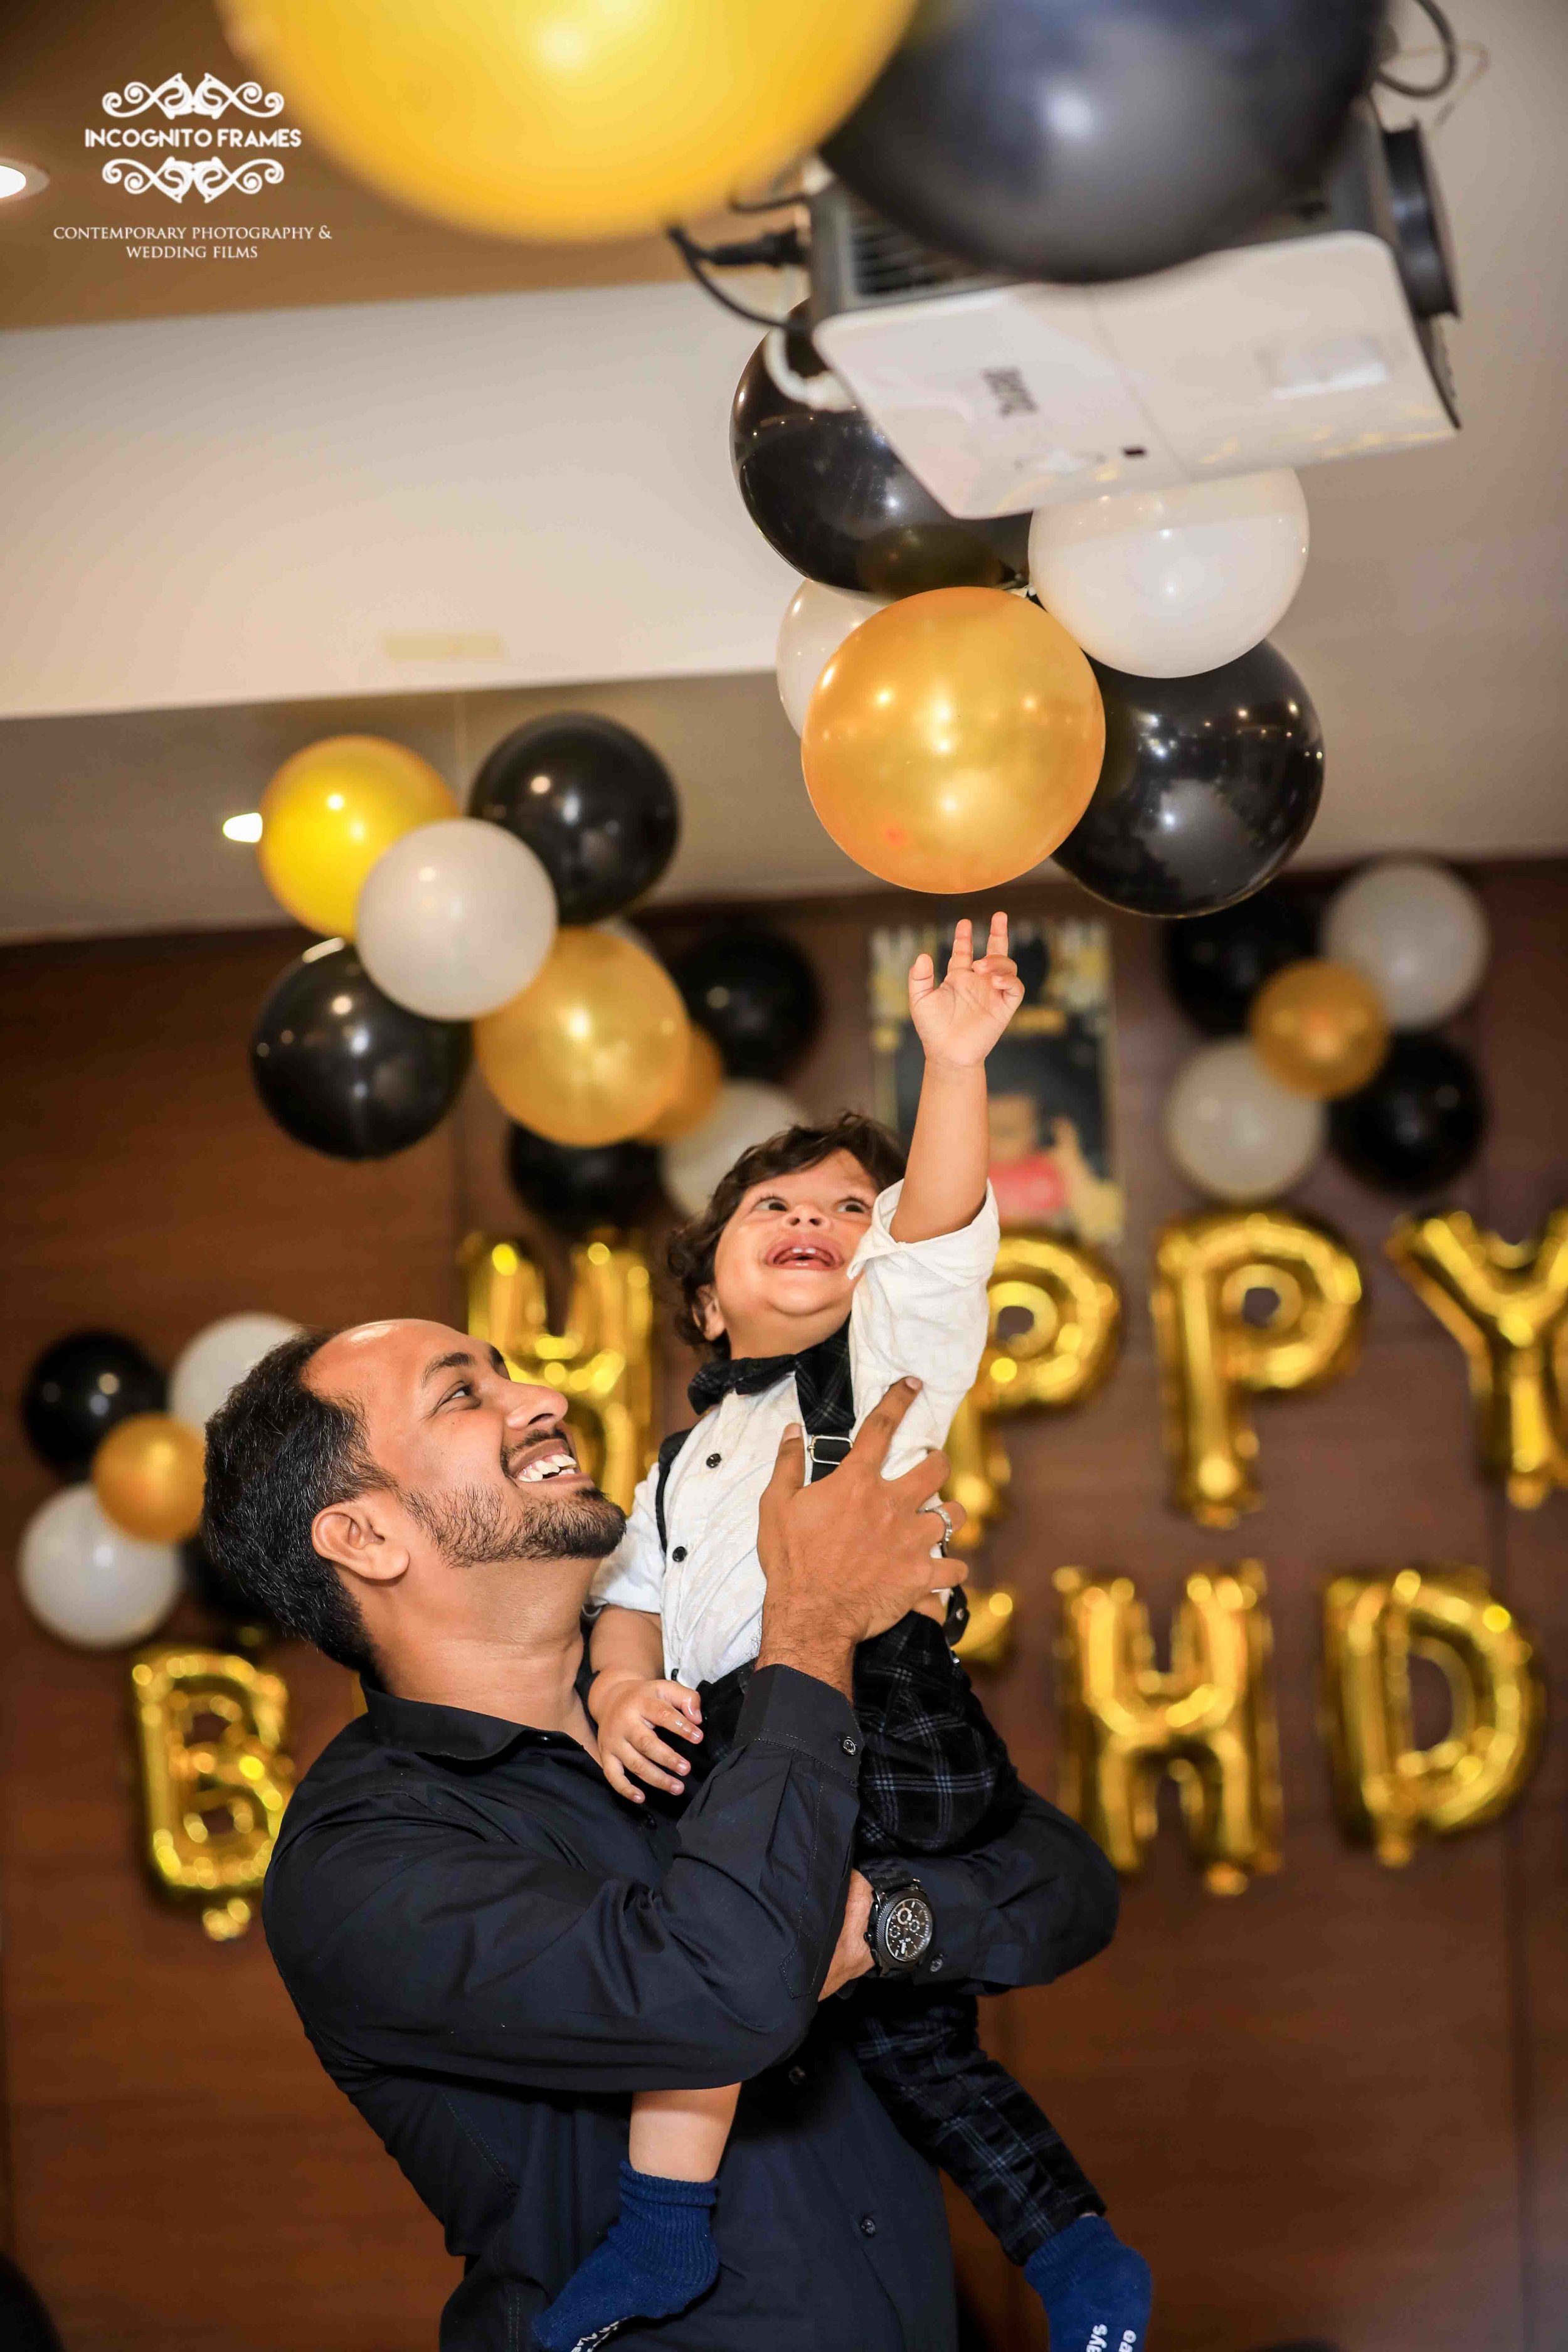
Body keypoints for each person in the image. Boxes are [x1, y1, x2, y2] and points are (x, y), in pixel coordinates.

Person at [201, 1316, 1120, 2352]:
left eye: (508, 1372)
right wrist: (810, 1625)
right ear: (364, 1538)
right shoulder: (360, 1860)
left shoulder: (708, 1679)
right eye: (463, 1393)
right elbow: (722, 1990)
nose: (540, 1397)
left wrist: (884, 1921)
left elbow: (1063, 1880)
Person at [563, 918, 1150, 2352]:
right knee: (874, 2037)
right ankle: (1070, 2257)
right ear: (705, 1295)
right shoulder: (666, 1464)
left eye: (847, 1210)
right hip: (744, 1753)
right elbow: (627, 1596)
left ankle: (660, 2228)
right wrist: (619, 1697)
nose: (817, 1220)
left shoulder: (883, 1371)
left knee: (728, 1972)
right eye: (775, 1209)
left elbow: (937, 1243)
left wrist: (952, 1066)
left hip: (880, 1730)